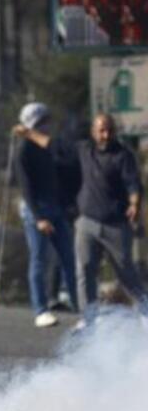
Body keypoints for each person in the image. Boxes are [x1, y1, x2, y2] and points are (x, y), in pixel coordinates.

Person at [15, 113, 147, 326]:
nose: (105, 135)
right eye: (101, 130)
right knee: (84, 271)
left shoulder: (123, 156)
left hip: (115, 224)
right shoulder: (83, 150)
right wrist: (28, 133)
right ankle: (88, 317)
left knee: (126, 272)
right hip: (87, 222)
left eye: (109, 130)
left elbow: (133, 184)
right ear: (94, 132)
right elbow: (52, 145)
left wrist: (134, 204)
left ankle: (145, 311)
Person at [12, 103, 79, 328]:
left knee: (69, 258)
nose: (48, 125)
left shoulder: (46, 147)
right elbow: (26, 187)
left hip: (56, 207)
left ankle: (80, 306)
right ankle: (40, 309)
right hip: (36, 210)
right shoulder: (24, 150)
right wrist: (39, 216)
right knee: (39, 260)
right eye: (43, 122)